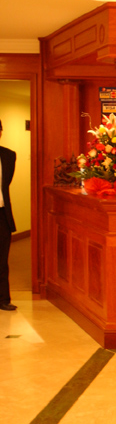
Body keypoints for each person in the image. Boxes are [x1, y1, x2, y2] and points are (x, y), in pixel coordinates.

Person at [0, 119, 17, 311]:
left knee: (2, 259)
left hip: (1, 214)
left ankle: (3, 299)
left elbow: (5, 184)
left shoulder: (8, 156)